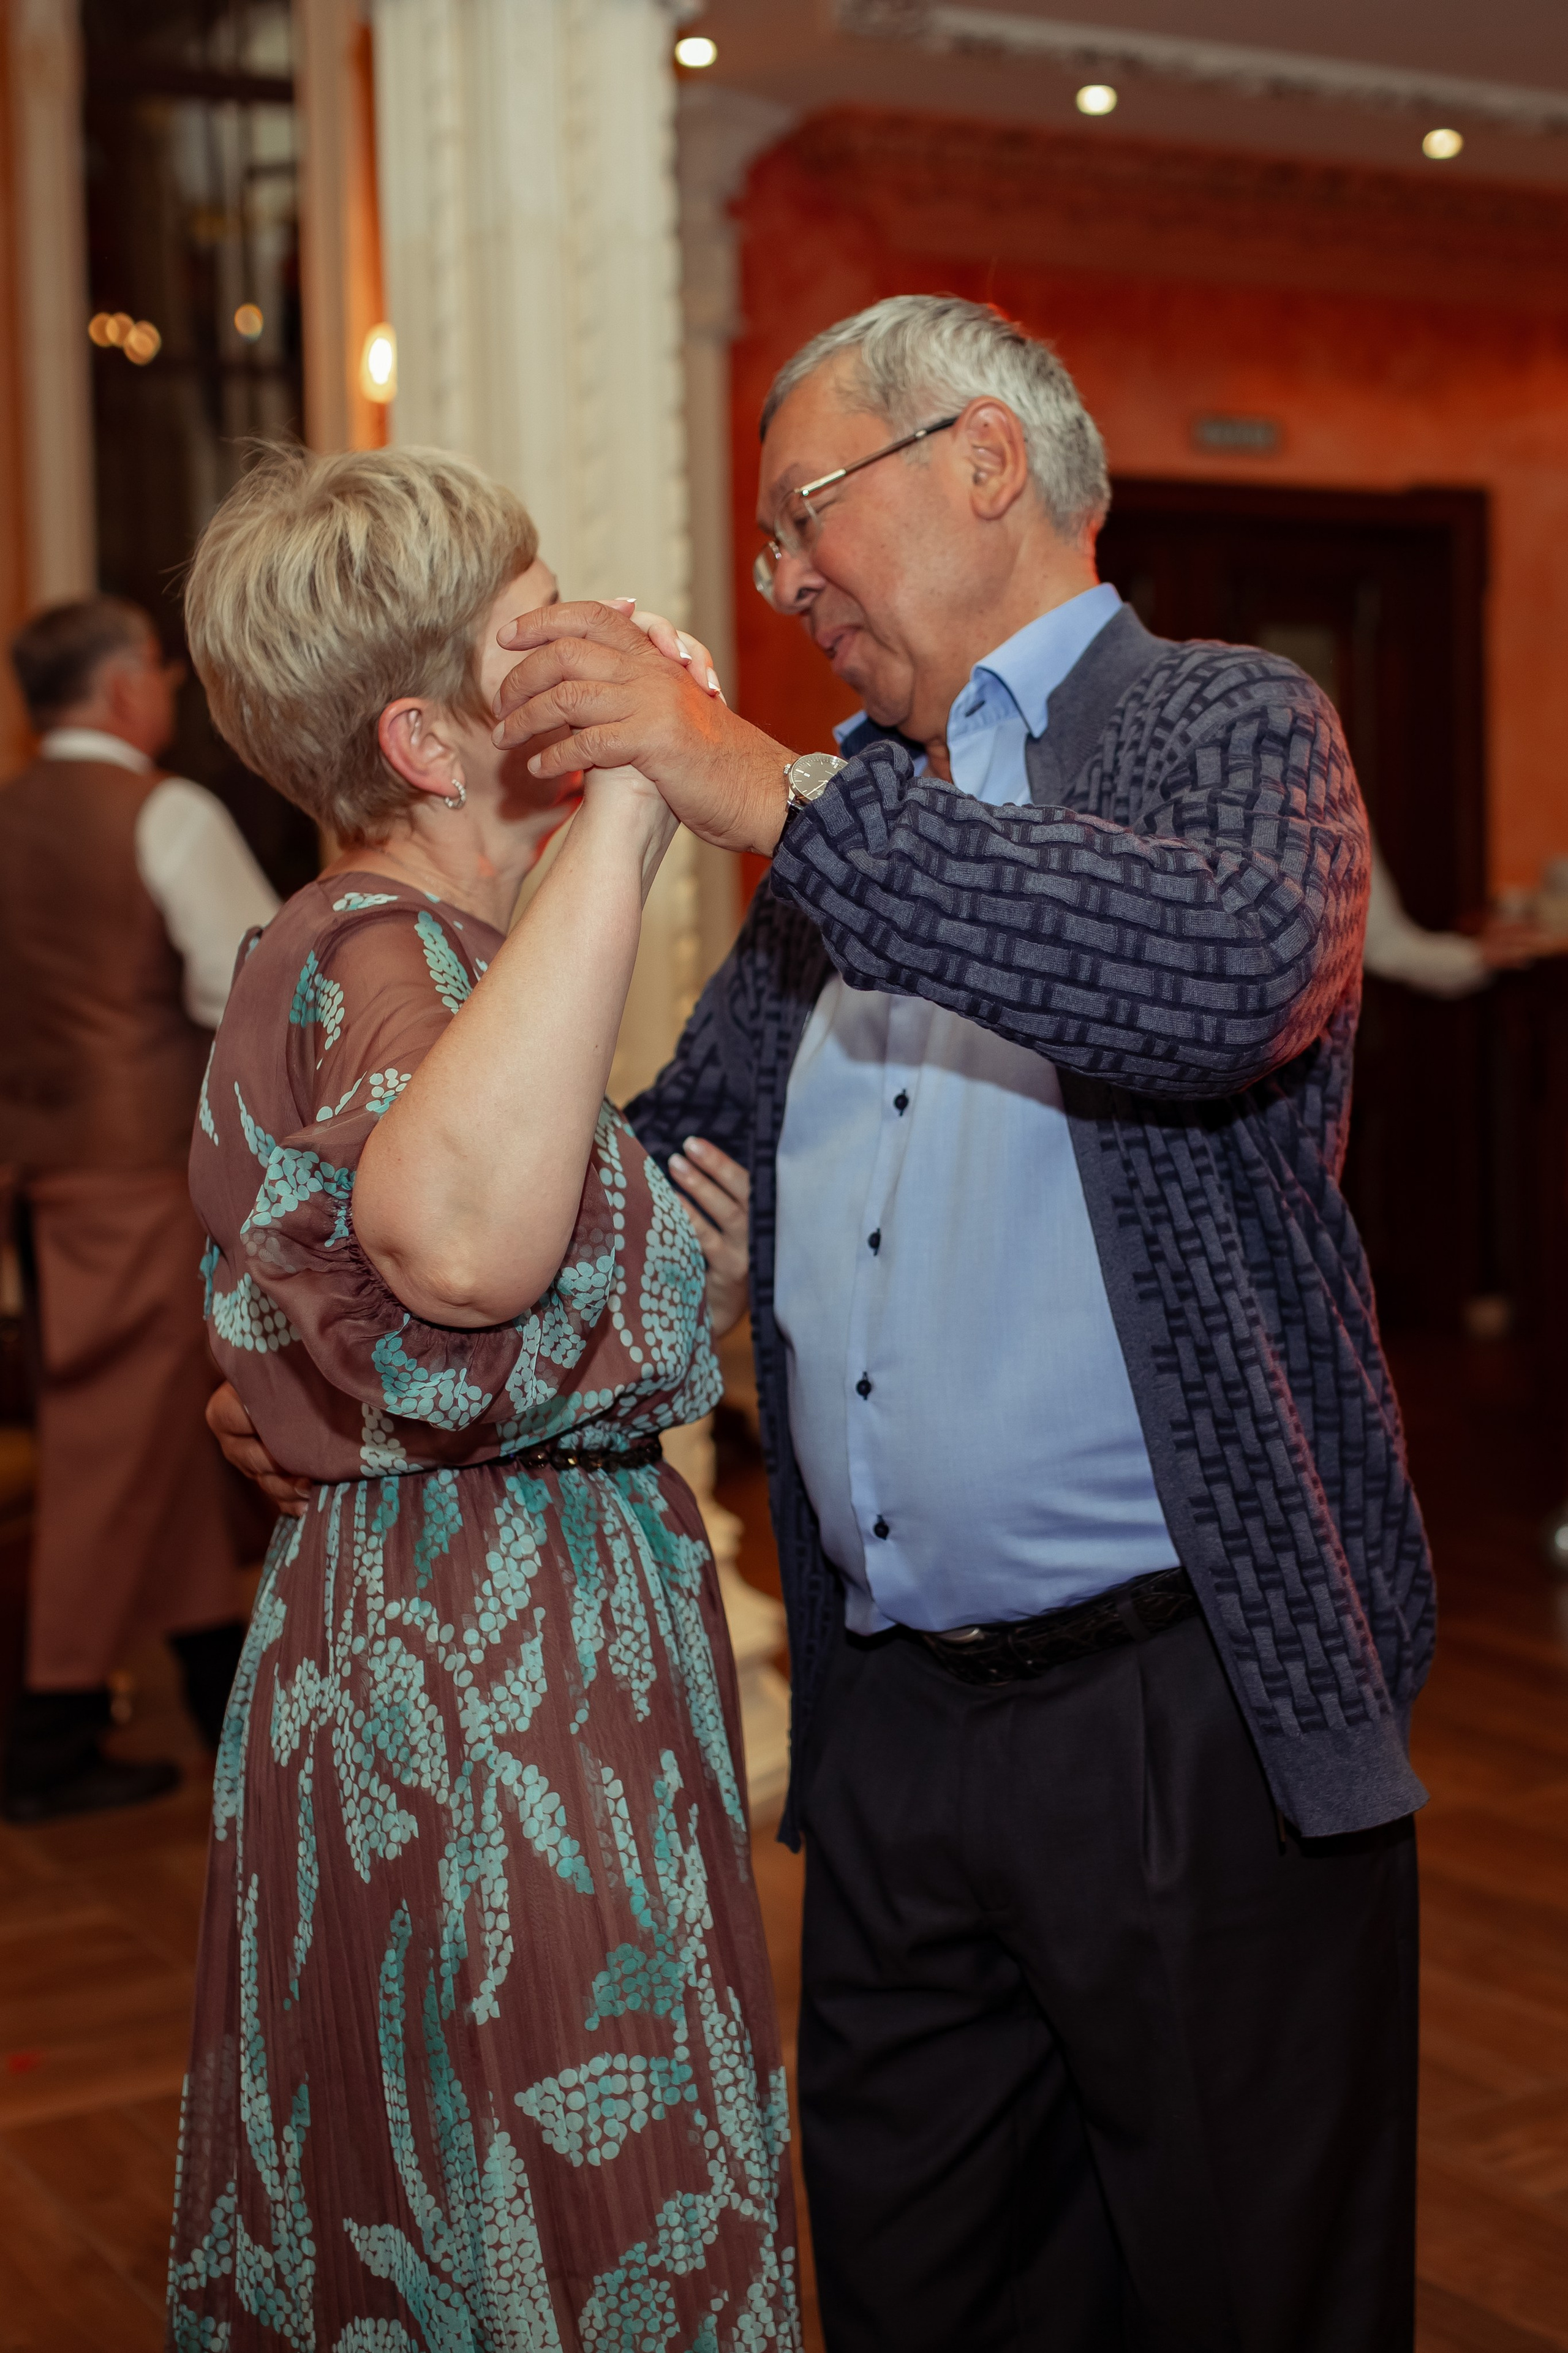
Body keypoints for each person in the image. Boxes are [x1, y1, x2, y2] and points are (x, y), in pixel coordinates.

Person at [214, 298, 1428, 2348]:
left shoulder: (1221, 727)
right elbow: (636, 1171)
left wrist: (771, 789)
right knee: (919, 2284)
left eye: (804, 509)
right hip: (889, 1733)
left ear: (982, 461)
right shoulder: (845, 809)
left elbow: (1208, 981)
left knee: (1252, 2290)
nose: (780, 578)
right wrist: (345, 1360)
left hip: (1183, 1710)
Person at [166, 444, 797, 2350]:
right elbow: (452, 1252)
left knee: (446, 2192)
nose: (591, 652)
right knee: (580, 2194)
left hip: (448, 1640)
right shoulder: (375, 947)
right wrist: (625, 813)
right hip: (501, 1685)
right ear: (436, 741)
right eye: (540, 637)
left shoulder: (428, 965)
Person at [0, 595, 277, 1821]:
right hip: (143, 1178)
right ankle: (46, 1728)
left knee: (155, 1427)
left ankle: (221, 1691)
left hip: (38, 1176)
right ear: (124, 691)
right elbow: (250, 982)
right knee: (118, 1439)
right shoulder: (165, 810)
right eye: (159, 671)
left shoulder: (8, 814)